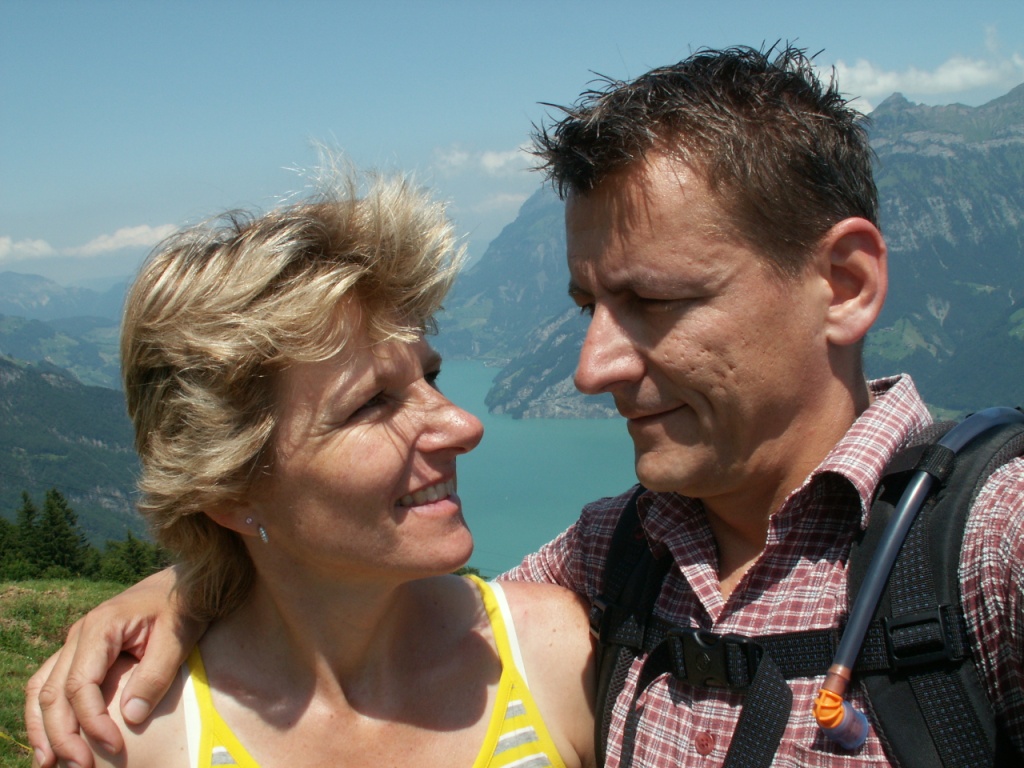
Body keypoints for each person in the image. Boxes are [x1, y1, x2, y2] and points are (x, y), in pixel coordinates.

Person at [26, 45, 1024, 767]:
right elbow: (352, 594)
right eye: (588, 307)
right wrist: (189, 586)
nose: (592, 368)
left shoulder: (986, 549)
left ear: (844, 284)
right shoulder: (615, 560)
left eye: (653, 301)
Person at [25, 165, 597, 768]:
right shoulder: (125, 737)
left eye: (430, 376)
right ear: (230, 491)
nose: (464, 425)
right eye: (372, 402)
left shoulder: (558, 656)